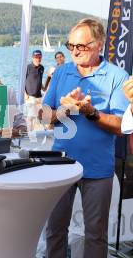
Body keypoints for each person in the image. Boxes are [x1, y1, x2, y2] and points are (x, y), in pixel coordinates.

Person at [39, 18, 129, 258]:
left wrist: (92, 113)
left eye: (82, 46)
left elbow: (122, 126)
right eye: (71, 46)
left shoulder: (117, 76)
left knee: (95, 235)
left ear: (99, 44)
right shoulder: (61, 72)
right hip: (60, 164)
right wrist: (63, 111)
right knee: (55, 229)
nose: (75, 51)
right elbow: (44, 115)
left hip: (98, 169)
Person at [25, 49, 44, 131]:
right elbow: (22, 81)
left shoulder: (41, 68)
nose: (38, 59)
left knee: (40, 115)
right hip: (30, 96)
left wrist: (45, 88)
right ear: (32, 57)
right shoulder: (28, 67)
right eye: (36, 57)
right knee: (30, 117)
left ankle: (43, 131)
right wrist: (25, 94)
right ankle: (29, 133)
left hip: (39, 96)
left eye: (39, 57)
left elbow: (40, 80)